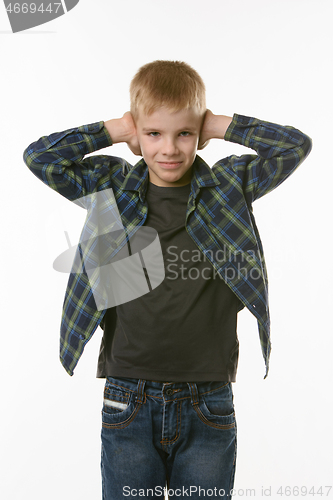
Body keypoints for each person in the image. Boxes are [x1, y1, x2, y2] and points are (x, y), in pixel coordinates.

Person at [23, 60, 312, 499]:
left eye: (185, 133)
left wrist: (219, 124)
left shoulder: (230, 185)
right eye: (154, 134)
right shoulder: (112, 186)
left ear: (199, 134)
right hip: (128, 398)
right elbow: (39, 157)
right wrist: (117, 128)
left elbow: (294, 146)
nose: (170, 149)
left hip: (209, 399)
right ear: (138, 135)